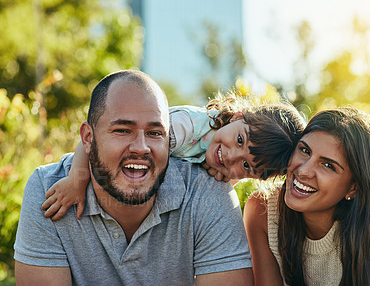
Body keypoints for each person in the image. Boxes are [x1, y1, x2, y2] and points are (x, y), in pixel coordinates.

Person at [13, 69, 255, 286]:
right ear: (88, 138)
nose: (141, 147)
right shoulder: (49, 188)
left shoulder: (208, 192)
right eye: (122, 130)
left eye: (155, 133)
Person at [238, 107, 370, 286]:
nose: (304, 170)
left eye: (328, 166)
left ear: (353, 187)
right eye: (305, 150)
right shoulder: (263, 210)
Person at [40, 93, 304, 221]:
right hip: (106, 164)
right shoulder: (184, 127)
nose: (231, 156)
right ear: (238, 115)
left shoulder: (226, 164)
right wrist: (76, 180)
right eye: (239, 140)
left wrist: (222, 178)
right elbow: (96, 141)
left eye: (246, 166)